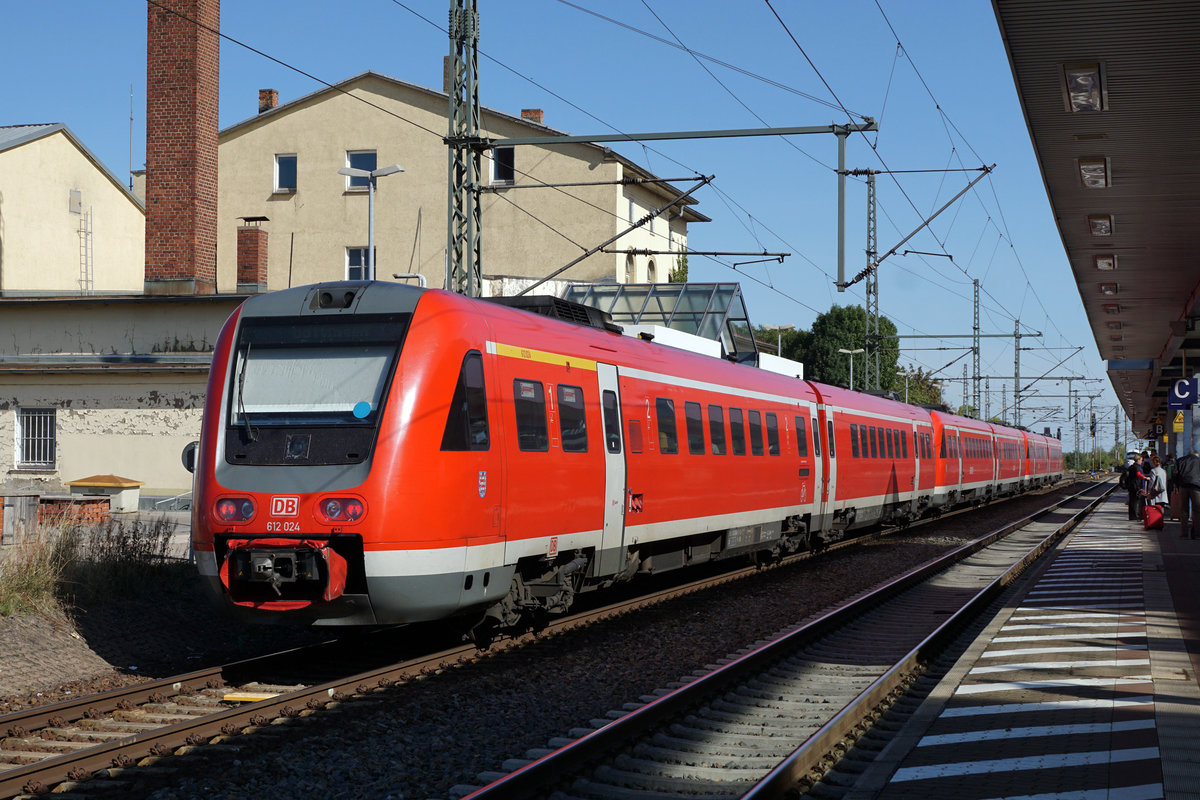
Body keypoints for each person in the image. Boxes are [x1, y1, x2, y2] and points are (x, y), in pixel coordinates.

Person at [1174, 448, 1200, 540]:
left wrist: (1177, 486)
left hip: (1183, 486)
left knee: (1184, 511)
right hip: (1196, 487)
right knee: (1197, 511)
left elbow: (1175, 474)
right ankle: (1196, 534)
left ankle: (1184, 534)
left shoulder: (1180, 460)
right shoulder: (1198, 461)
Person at [1126, 453, 1147, 522]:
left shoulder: (1131, 467)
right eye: (1141, 460)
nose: (1142, 461)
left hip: (1131, 486)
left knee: (1132, 501)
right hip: (1136, 486)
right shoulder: (1137, 467)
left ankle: (1131, 515)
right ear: (1138, 460)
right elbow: (1139, 475)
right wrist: (1145, 477)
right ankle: (1134, 516)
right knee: (1136, 502)